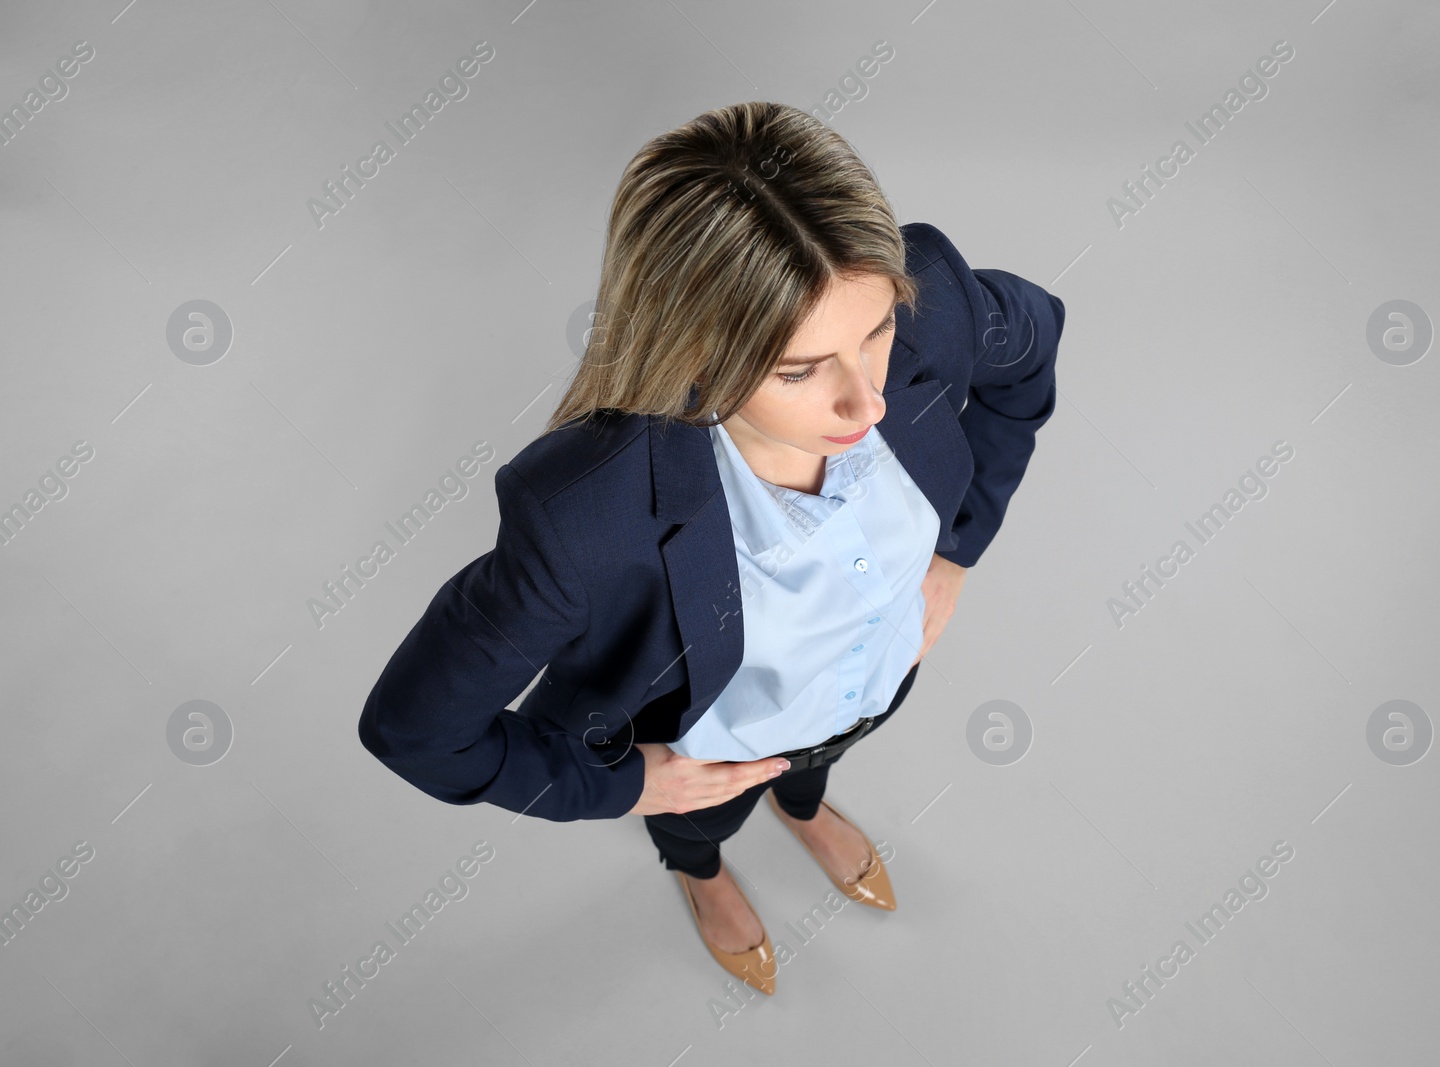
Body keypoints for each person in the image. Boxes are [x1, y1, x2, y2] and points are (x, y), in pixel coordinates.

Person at [357, 101, 1065, 996]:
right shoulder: (584, 519)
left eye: (876, 331)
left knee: (824, 760)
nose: (867, 403)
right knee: (701, 823)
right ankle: (699, 870)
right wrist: (620, 789)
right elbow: (415, 729)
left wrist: (957, 550)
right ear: (693, 347)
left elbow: (1031, 352)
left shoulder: (934, 304)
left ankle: (804, 804)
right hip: (713, 750)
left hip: (877, 682)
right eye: (800, 371)